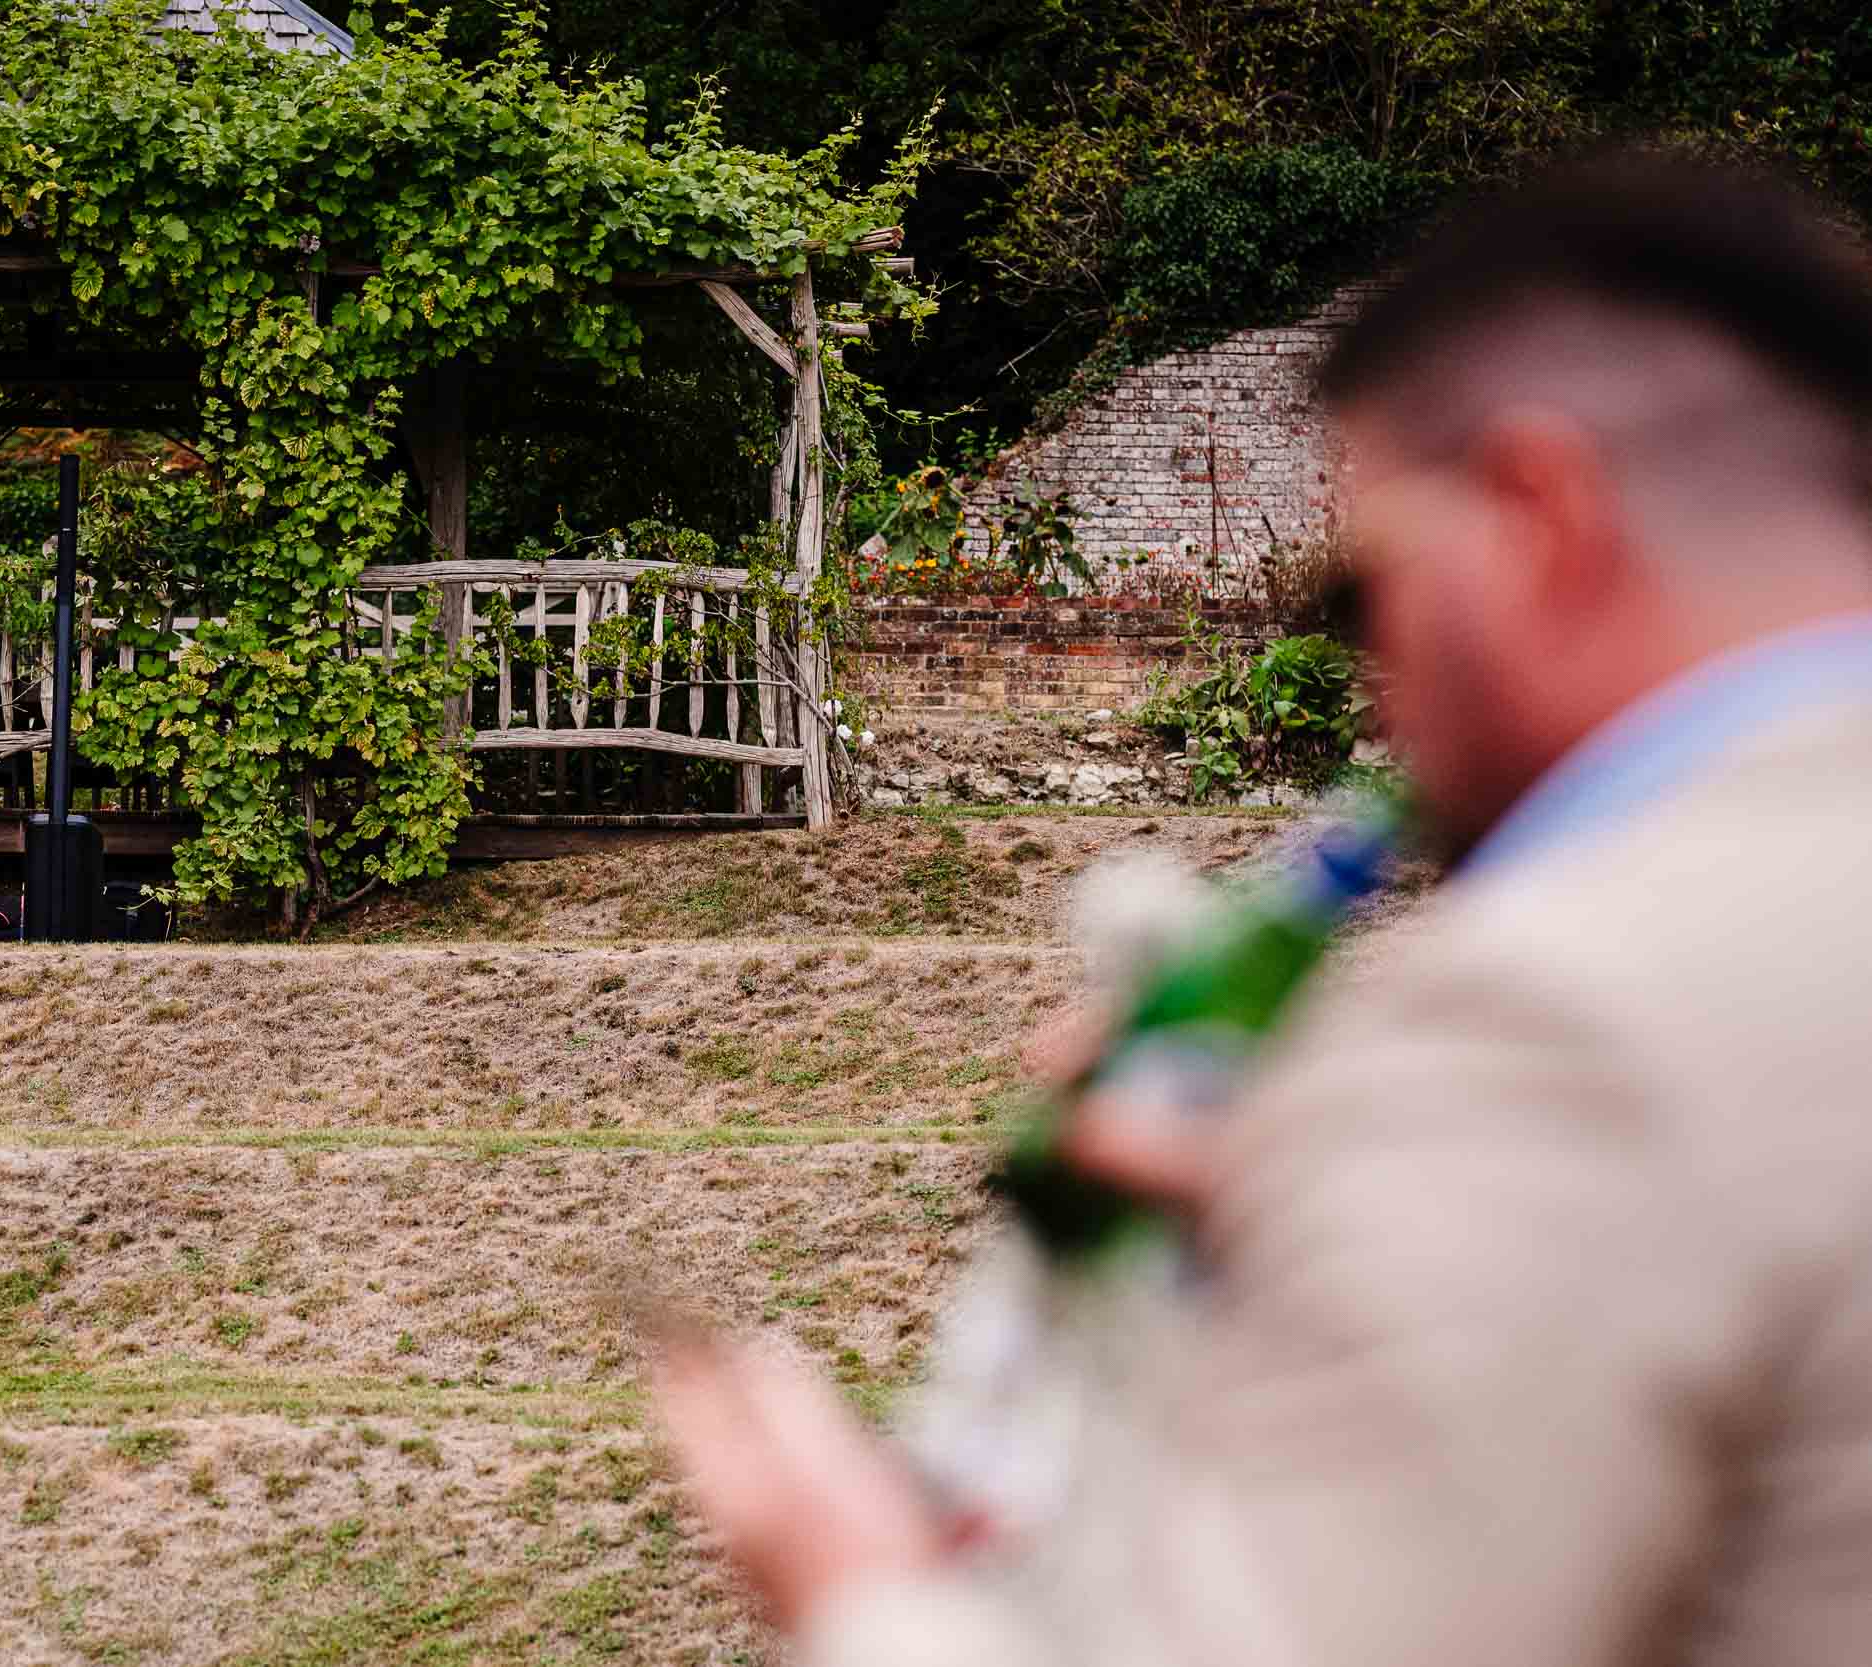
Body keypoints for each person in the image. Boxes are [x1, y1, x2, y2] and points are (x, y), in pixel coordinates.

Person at [658, 151, 1872, 1667]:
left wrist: (853, 1585)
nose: (1378, 685)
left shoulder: (1555, 1012)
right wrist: (1327, 1199)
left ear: (1540, 514)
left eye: (1366, 596)